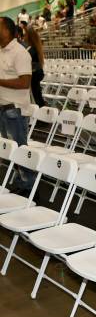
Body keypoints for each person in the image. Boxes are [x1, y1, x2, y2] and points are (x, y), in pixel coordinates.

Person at [0, 17, 34, 195]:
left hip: (15, 109)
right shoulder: (2, 51)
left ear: (7, 30)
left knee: (20, 149)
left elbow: (24, 82)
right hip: (3, 108)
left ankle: (29, 188)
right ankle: (21, 183)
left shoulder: (20, 53)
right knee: (10, 150)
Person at [23, 26, 45, 108]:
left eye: (25, 35)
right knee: (37, 95)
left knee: (35, 96)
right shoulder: (34, 48)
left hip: (34, 74)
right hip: (36, 73)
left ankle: (40, 116)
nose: (23, 37)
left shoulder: (31, 50)